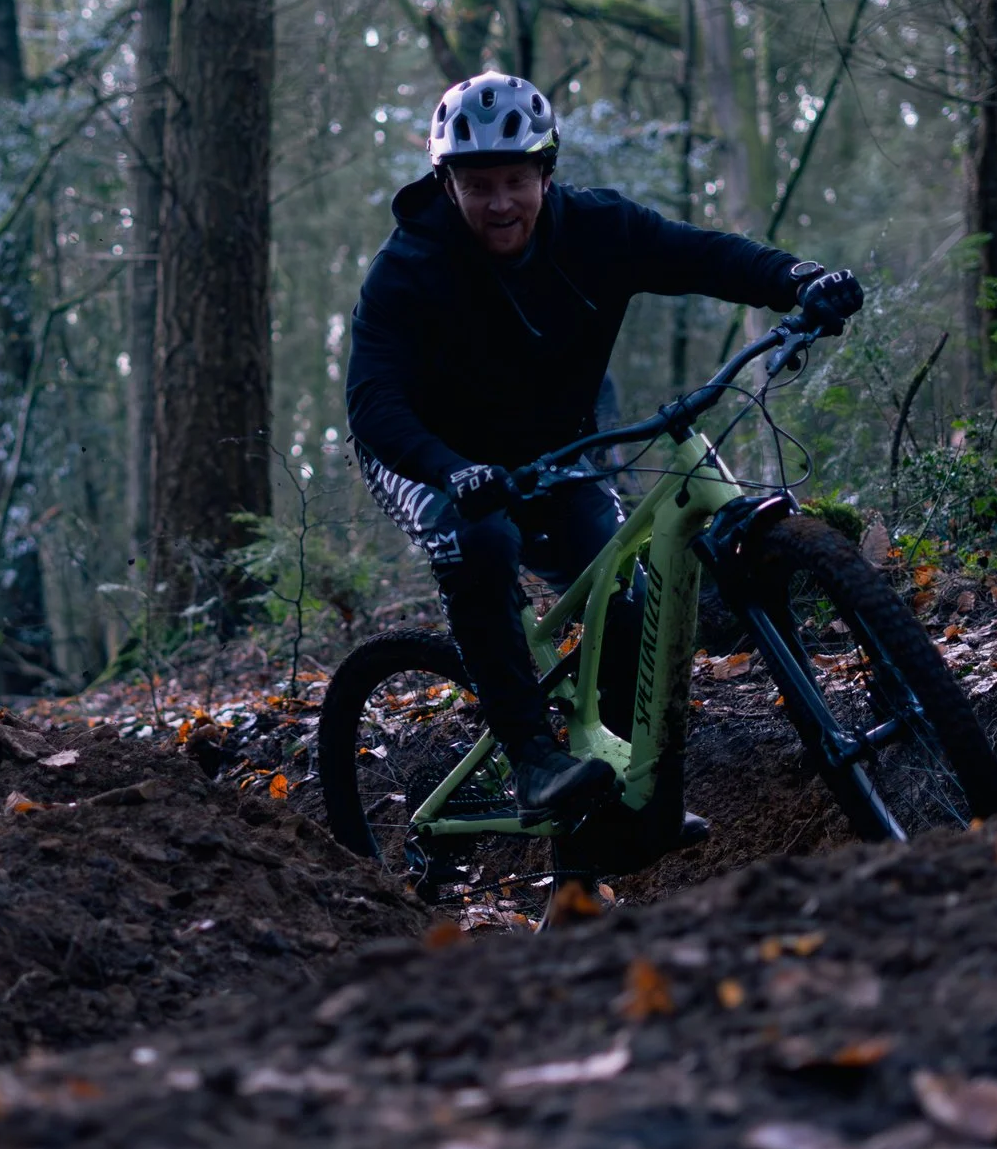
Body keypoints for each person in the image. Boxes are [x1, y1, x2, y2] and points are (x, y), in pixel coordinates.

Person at [345, 71, 862, 828]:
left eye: (515, 181)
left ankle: (625, 795)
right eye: (478, 184)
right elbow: (372, 402)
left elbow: (701, 256)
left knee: (625, 582)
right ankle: (531, 757)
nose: (499, 203)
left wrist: (796, 278)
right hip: (426, 454)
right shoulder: (408, 267)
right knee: (478, 539)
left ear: (545, 176)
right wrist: (451, 469)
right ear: (446, 184)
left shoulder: (596, 230)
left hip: (551, 446)